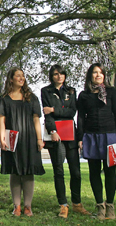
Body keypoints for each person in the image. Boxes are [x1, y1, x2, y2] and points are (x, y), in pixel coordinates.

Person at [77, 63, 116, 220]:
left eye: (100, 73)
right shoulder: (84, 95)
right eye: (94, 73)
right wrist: (80, 138)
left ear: (104, 75)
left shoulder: (112, 92)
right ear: (90, 76)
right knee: (94, 172)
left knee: (110, 172)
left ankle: (110, 206)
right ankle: (100, 207)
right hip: (91, 136)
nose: (97, 75)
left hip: (110, 135)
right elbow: (80, 118)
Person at [41, 65, 90, 218]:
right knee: (59, 171)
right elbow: (46, 114)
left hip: (70, 133)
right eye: (56, 74)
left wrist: (55, 110)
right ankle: (63, 205)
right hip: (56, 134)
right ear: (51, 76)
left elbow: (72, 111)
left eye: (61, 73)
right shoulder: (46, 91)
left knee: (75, 171)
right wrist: (53, 131)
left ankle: (77, 203)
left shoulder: (71, 91)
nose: (59, 76)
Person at [0, 67, 45, 217]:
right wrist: (2, 138)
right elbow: (1, 120)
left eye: (23, 76)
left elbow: (36, 120)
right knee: (15, 171)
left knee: (28, 171)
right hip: (12, 139)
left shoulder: (32, 97)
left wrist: (39, 139)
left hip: (29, 139)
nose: (21, 78)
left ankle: (28, 207)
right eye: (17, 76)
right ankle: (17, 206)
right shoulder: (4, 99)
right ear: (11, 79)